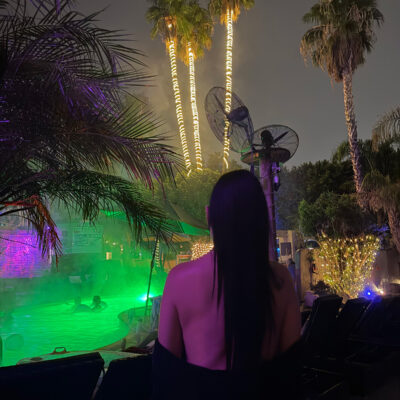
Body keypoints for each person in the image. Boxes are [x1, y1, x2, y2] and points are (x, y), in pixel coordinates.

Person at [154, 170, 302, 399]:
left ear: (208, 215)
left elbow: (165, 375)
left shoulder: (179, 279)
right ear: (262, 219)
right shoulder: (282, 280)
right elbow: (291, 369)